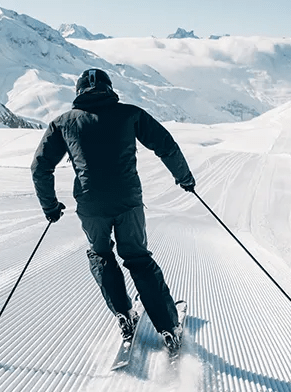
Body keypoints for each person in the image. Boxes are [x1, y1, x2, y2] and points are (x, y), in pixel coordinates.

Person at [31, 68, 195, 353]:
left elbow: (40, 167)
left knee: (101, 254)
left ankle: (124, 314)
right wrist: (184, 178)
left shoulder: (63, 123)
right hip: (128, 201)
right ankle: (168, 327)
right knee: (138, 259)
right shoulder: (130, 114)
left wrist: (50, 206)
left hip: (90, 204)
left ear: (78, 92)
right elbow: (165, 146)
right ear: (109, 88)